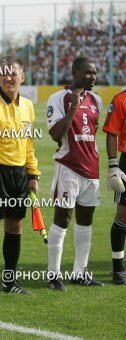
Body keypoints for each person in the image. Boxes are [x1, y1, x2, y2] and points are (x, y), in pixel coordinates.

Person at [0, 55, 40, 297]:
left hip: (20, 174)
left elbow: (29, 144)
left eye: (13, 73)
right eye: (3, 72)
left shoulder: (28, 106)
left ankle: (9, 281)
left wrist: (33, 174)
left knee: (15, 227)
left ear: (22, 77)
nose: (8, 77)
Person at [46, 57, 104, 290]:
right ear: (75, 72)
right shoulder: (57, 98)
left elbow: (91, 134)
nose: (93, 77)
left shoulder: (96, 100)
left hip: (91, 170)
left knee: (85, 222)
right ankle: (53, 275)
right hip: (68, 167)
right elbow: (55, 134)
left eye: (95, 73)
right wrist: (73, 106)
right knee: (62, 219)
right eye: (88, 72)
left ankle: (80, 273)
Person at [102, 89, 126, 285]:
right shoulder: (121, 99)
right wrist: (113, 165)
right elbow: (112, 133)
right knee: (122, 215)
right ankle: (118, 269)